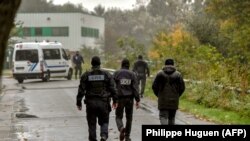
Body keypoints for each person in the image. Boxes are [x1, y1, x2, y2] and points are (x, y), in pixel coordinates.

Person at [76, 56, 118, 141]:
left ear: (91, 63)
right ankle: (103, 136)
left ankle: (93, 138)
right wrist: (115, 100)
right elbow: (113, 88)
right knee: (104, 121)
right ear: (99, 63)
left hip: (91, 103)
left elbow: (81, 90)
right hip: (103, 102)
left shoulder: (86, 75)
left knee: (92, 123)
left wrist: (78, 102)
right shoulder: (106, 74)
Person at [113, 58, 140, 141]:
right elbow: (135, 88)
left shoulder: (116, 73)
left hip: (119, 99)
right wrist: (137, 100)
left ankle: (121, 128)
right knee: (129, 118)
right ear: (129, 65)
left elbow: (112, 87)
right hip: (129, 99)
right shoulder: (132, 74)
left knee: (118, 116)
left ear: (122, 64)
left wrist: (114, 99)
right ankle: (127, 136)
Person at [152, 59, 185, 125]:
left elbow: (154, 87)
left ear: (165, 65)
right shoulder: (178, 75)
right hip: (174, 100)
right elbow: (182, 88)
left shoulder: (160, 74)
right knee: (172, 118)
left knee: (163, 117)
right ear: (173, 65)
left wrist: (159, 95)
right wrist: (177, 95)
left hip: (163, 100)